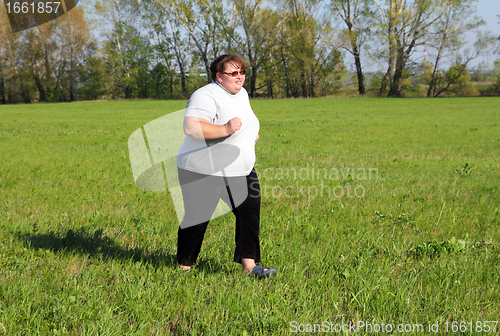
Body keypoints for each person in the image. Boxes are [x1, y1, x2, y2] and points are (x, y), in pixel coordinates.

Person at [175, 54, 275, 278]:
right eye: (233, 73)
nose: (239, 77)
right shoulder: (205, 96)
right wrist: (226, 129)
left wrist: (250, 137)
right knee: (197, 218)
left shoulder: (242, 94)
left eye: (242, 72)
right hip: (203, 169)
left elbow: (244, 120)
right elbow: (191, 127)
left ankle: (250, 267)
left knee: (249, 212)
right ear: (219, 77)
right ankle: (184, 266)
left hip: (240, 168)